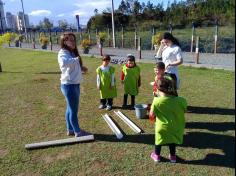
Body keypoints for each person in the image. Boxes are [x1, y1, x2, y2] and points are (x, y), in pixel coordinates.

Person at [58, 32, 91, 137]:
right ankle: (78, 132)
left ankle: (70, 129)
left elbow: (71, 67)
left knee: (69, 108)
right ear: (64, 41)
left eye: (73, 40)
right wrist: (76, 59)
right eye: (70, 40)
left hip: (73, 84)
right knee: (73, 110)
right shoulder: (63, 52)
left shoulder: (71, 52)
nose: (73, 42)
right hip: (69, 85)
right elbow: (64, 62)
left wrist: (81, 68)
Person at [149, 77, 187, 163]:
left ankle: (156, 156)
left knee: (158, 140)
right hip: (176, 126)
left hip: (161, 127)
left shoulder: (156, 101)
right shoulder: (182, 100)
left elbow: (151, 116)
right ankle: (173, 157)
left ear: (158, 89)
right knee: (172, 140)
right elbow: (185, 110)